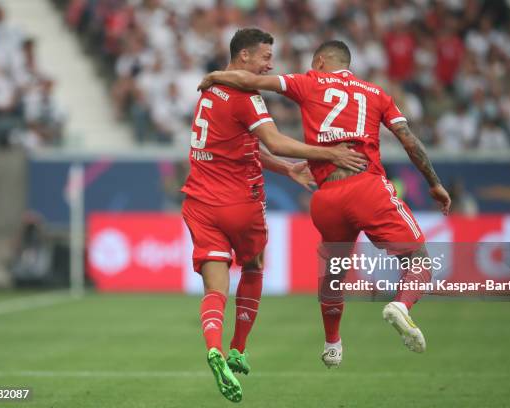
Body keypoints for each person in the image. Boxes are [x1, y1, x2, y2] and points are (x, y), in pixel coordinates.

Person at [199, 40, 451, 368]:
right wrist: (434, 183)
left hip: (326, 198)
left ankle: (333, 343)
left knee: (334, 271)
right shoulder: (377, 94)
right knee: (419, 260)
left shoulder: (308, 82)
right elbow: (409, 140)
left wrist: (215, 75)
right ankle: (401, 306)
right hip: (366, 185)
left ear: (319, 62)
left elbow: (249, 81)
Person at [181, 30, 367, 402]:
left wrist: (285, 169)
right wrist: (328, 154)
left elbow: (240, 148)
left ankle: (213, 347)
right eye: (266, 57)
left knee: (215, 289)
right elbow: (274, 141)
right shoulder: (247, 97)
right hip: (240, 203)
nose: (271, 64)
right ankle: (237, 348)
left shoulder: (209, 90)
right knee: (253, 267)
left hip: (198, 202)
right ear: (245, 56)